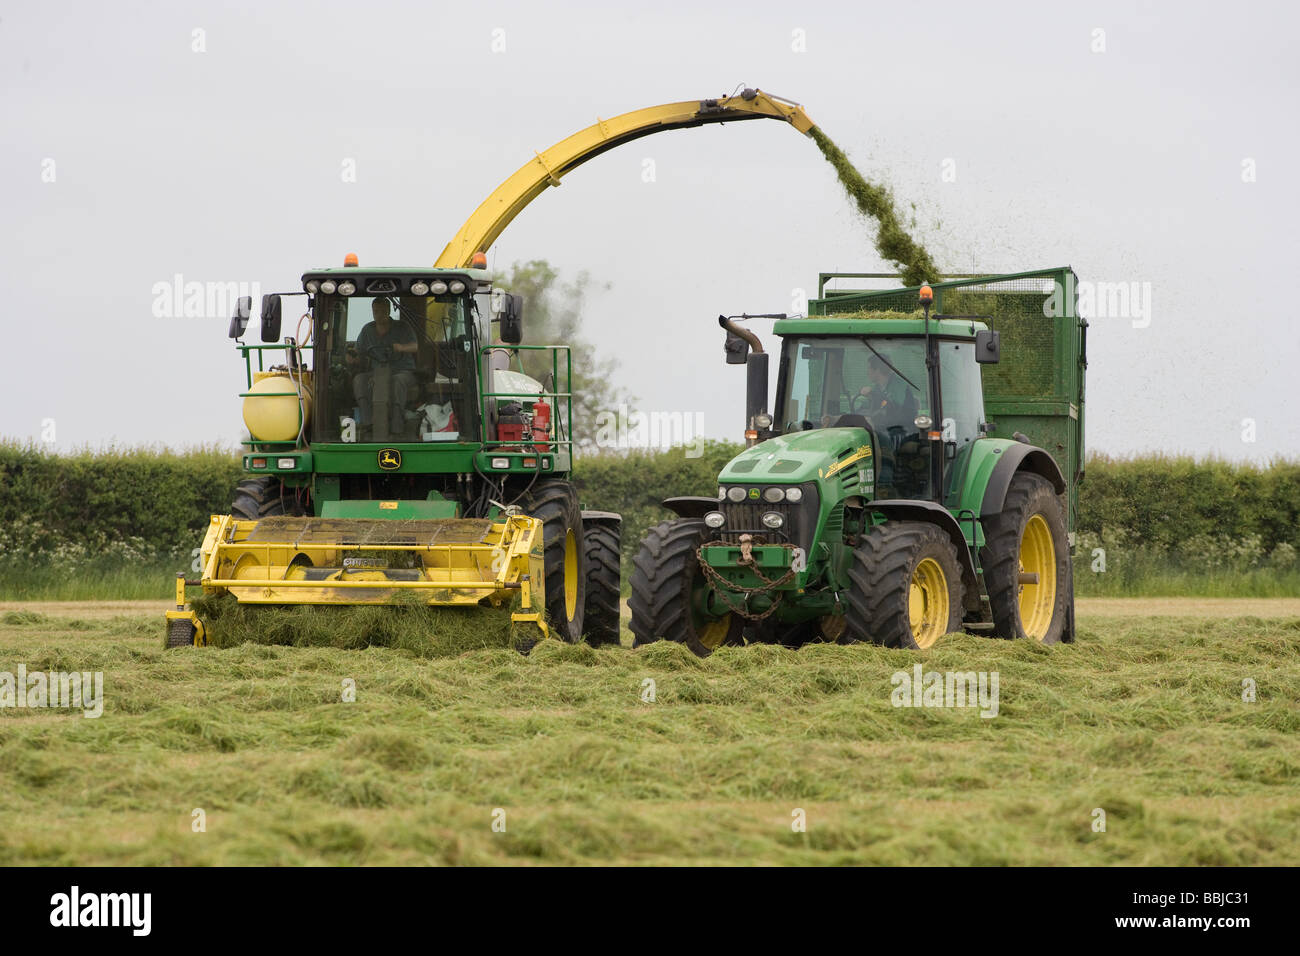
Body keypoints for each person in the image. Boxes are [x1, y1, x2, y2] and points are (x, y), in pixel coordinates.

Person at [349, 298, 419, 437]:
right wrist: (351, 357)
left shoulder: (403, 327)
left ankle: (396, 428)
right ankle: (368, 424)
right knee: (359, 380)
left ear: (388, 310)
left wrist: (401, 347)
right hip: (377, 373)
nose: (379, 314)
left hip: (403, 371)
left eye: (382, 311)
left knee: (397, 382)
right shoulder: (367, 330)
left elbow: (415, 346)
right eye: (376, 311)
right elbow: (357, 351)